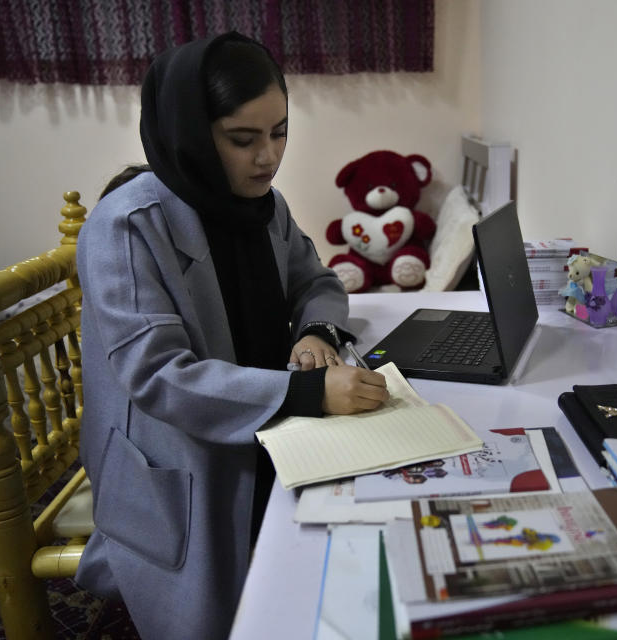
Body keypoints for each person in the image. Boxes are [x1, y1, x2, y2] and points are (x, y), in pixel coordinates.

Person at [74, 32, 389, 639]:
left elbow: (316, 280)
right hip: (184, 459)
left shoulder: (264, 207)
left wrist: (317, 331)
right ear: (191, 130)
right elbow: (158, 376)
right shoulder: (128, 227)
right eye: (243, 140)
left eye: (279, 133)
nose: (268, 158)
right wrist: (308, 393)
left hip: (266, 430)